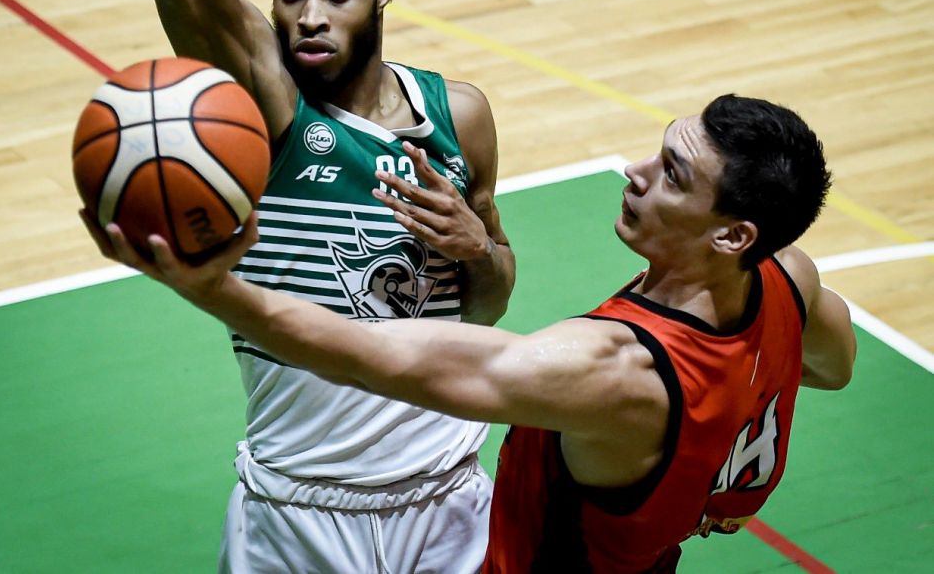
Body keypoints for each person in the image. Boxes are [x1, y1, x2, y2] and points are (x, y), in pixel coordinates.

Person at [85, 93, 857, 572]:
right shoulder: (788, 281)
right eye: (661, 150)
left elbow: (369, 355)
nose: (637, 170)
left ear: (732, 235)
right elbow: (833, 365)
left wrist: (208, 285)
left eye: (674, 175)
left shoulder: (616, 370)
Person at [114, 0, 516, 571]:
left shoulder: (458, 117)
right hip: (299, 518)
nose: (309, 16)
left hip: (451, 506)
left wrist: (477, 250)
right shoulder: (268, 102)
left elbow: (486, 307)